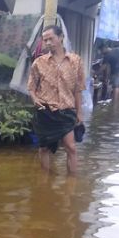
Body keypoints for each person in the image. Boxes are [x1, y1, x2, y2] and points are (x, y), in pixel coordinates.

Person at [27, 24, 85, 174]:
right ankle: (44, 179)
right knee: (44, 147)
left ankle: (71, 183)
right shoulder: (39, 63)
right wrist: (34, 98)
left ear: (60, 38)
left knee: (71, 147)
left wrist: (79, 113)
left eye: (50, 39)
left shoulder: (75, 61)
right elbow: (31, 87)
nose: (47, 43)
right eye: (44, 40)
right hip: (45, 111)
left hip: (66, 111)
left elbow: (78, 89)